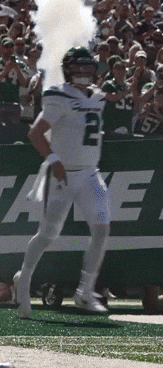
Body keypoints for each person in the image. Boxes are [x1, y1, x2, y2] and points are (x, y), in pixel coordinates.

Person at [13, 46, 112, 318]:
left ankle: (85, 291)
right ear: (68, 70)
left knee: (101, 228)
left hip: (90, 173)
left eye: (88, 67)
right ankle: (24, 279)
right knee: (48, 234)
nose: (84, 72)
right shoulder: (59, 95)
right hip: (63, 174)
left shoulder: (98, 97)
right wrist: (54, 160)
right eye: (79, 67)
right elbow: (36, 133)